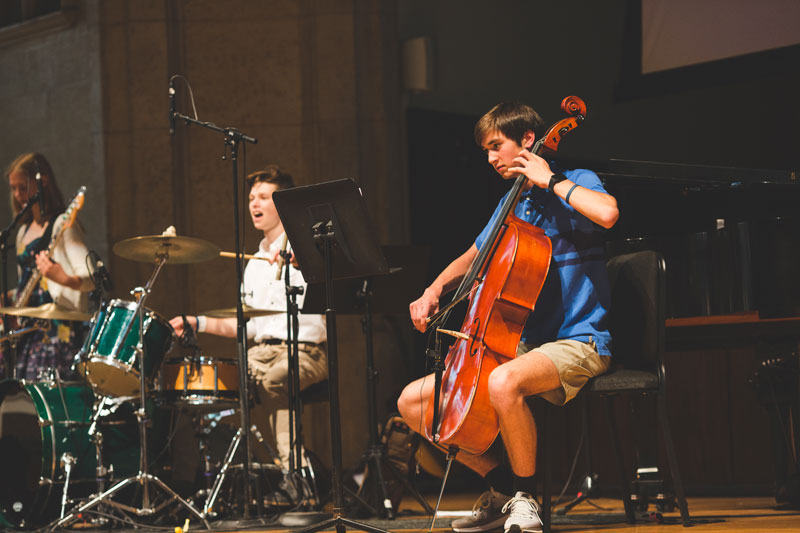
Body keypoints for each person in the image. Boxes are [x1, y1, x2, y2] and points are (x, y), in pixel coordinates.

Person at [398, 102, 619, 533]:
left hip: (581, 339)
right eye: (486, 150)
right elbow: (475, 255)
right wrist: (433, 290)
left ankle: (525, 499)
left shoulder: (577, 180)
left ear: (528, 140)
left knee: (503, 382)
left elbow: (608, 214)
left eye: (496, 146)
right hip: (524, 343)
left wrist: (551, 181)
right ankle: (503, 489)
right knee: (413, 402)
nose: (490, 158)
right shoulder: (513, 201)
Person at [170, 165, 327, 472]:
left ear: (282, 204)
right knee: (209, 382)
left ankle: (295, 472)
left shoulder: (308, 246)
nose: (255, 203)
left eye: (264, 197)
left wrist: (300, 259)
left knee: (273, 381)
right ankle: (220, 475)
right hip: (261, 353)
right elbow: (248, 325)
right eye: (252, 197)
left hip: (305, 353)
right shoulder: (254, 264)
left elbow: (329, 279)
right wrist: (198, 322)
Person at [2, 152, 93, 380]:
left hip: (55, 330)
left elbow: (91, 277)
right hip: (27, 330)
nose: (18, 195)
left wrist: (63, 278)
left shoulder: (62, 225)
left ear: (42, 183)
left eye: (23, 187)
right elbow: (27, 283)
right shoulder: (23, 231)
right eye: (13, 189)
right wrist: (9, 296)